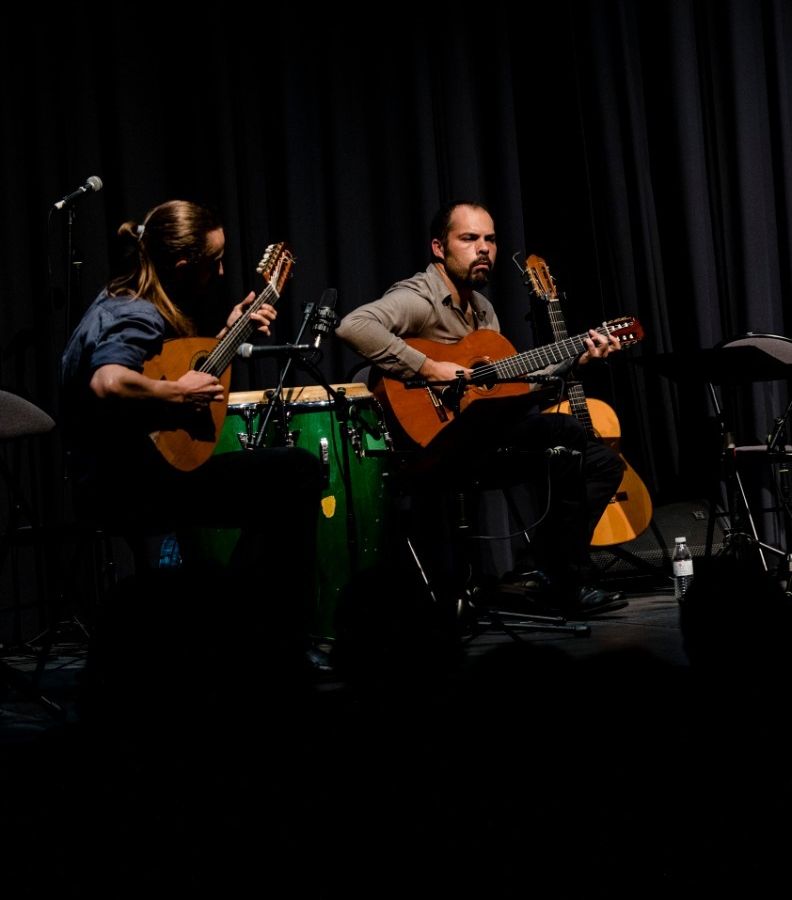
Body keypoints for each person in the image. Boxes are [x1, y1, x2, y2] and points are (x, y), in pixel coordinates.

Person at [59, 199, 321, 665]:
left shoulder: (121, 297)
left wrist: (233, 330)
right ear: (182, 264)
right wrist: (178, 396)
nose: (220, 273)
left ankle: (238, 625)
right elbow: (109, 381)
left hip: (125, 475)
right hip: (130, 486)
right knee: (297, 472)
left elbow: (178, 364)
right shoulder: (135, 315)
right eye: (214, 262)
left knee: (281, 478)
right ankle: (259, 635)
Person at [337, 201, 629, 617]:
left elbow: (505, 387)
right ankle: (562, 579)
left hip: (475, 444)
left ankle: (544, 574)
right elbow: (353, 326)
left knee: (600, 461)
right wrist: (428, 366)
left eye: (490, 239)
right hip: (428, 447)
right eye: (469, 239)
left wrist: (575, 357)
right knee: (564, 433)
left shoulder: (483, 310)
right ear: (439, 248)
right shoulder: (419, 298)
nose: (484, 249)